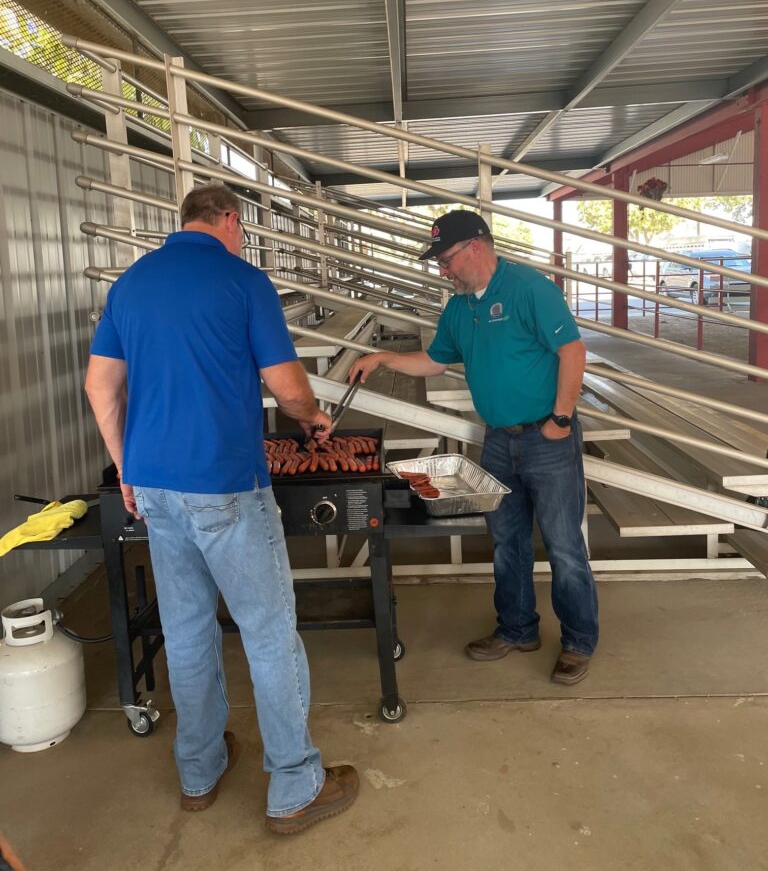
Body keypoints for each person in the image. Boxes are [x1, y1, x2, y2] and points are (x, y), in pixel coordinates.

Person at [85, 181, 359, 834]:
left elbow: (101, 385)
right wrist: (313, 416)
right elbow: (287, 386)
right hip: (225, 484)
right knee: (267, 632)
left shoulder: (131, 284)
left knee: (185, 631)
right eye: (243, 228)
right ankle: (295, 786)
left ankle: (199, 772)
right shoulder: (243, 281)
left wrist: (128, 466)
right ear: (230, 219)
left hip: (155, 485)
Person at [349, 209, 598, 685]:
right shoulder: (460, 308)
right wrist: (384, 358)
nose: (443, 270)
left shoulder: (529, 288)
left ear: (476, 247)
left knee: (565, 546)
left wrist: (561, 420)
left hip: (548, 437)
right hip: (500, 440)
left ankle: (578, 641)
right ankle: (518, 628)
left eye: (446, 260)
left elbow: (573, 351)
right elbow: (435, 361)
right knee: (507, 542)